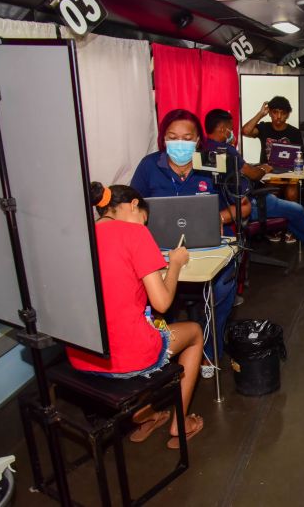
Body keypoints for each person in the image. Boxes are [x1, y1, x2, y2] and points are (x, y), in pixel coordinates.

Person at [67, 183, 204, 449]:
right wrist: (174, 264)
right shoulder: (134, 234)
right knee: (195, 332)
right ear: (133, 206)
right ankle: (180, 423)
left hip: (83, 356)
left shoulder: (79, 236)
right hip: (127, 358)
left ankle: (148, 417)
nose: (144, 225)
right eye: (144, 219)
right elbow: (162, 303)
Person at [130, 109, 249, 378]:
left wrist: (221, 215)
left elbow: (244, 206)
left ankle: (208, 349)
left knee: (222, 287)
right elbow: (130, 207)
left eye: (186, 137)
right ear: (163, 139)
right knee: (150, 293)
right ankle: (163, 350)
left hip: (210, 249)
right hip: (160, 252)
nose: (179, 143)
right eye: (172, 137)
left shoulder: (214, 165)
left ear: (198, 141)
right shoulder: (149, 166)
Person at [205, 108, 304, 261]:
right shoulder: (227, 150)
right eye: (230, 128)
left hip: (227, 204)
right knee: (296, 209)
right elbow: (253, 174)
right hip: (245, 204)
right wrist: (264, 168)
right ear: (223, 129)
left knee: (289, 216)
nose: (232, 132)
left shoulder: (205, 148)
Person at [241, 95, 304, 207]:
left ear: (288, 115)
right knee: (272, 193)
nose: (278, 116)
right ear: (270, 113)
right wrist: (260, 114)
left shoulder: (294, 132)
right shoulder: (264, 128)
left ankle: (291, 220)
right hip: (267, 173)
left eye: (283, 113)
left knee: (292, 193)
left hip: (288, 174)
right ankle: (274, 221)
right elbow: (245, 131)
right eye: (275, 112)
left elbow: (300, 156)